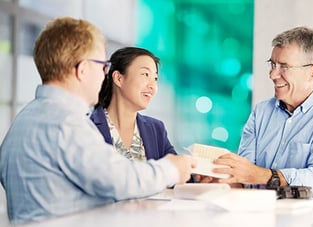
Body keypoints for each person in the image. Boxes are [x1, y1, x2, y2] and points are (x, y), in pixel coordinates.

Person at [0, 17, 195, 224]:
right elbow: (121, 179)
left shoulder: (24, 120)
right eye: (102, 66)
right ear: (82, 70)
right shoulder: (65, 123)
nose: (105, 74)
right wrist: (172, 169)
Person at [197, 26, 313, 224]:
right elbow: (245, 178)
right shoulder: (261, 112)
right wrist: (222, 178)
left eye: (284, 67)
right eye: (272, 64)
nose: (273, 74)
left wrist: (263, 175)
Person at [90, 47, 176, 161]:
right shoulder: (88, 125)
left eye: (155, 78)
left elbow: (178, 171)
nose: (152, 86)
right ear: (119, 78)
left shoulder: (156, 129)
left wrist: (198, 174)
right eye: (145, 74)